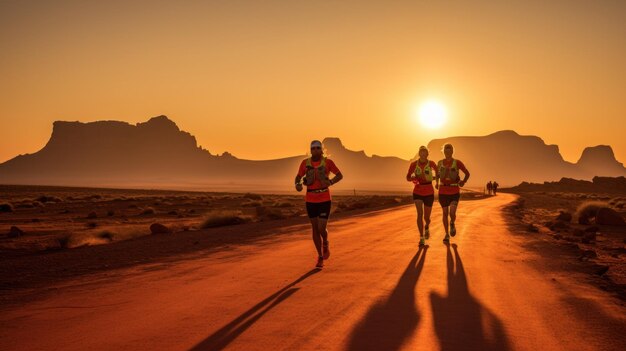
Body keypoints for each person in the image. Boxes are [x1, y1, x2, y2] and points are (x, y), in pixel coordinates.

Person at [295, 140, 343, 268]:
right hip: (310, 199)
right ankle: (320, 257)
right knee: (315, 228)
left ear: (321, 150)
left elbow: (339, 175)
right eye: (313, 148)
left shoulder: (328, 162)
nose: (315, 150)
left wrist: (331, 182)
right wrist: (297, 184)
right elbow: (298, 176)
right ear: (311, 150)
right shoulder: (305, 163)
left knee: (322, 228)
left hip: (324, 198)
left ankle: (325, 242)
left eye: (318, 148)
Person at [435, 143, 470, 243]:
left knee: (452, 213)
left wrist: (463, 182)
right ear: (444, 152)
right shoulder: (440, 163)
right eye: (446, 150)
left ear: (452, 151)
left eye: (449, 150)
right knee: (445, 213)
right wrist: (436, 183)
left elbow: (467, 173)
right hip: (442, 192)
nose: (447, 152)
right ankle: (446, 234)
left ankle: (452, 222)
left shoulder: (457, 162)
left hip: (454, 191)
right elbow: (437, 174)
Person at [407, 146, 438, 247]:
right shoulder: (414, 164)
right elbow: (407, 177)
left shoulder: (431, 163)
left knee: (426, 217)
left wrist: (433, 178)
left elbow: (438, 173)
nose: (423, 154)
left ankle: (427, 226)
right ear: (419, 154)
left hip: (429, 192)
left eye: (425, 152)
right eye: (421, 152)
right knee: (419, 214)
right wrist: (413, 178)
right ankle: (421, 237)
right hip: (418, 191)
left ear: (427, 154)